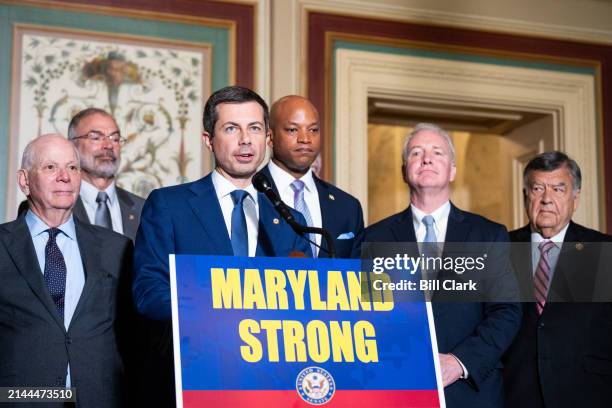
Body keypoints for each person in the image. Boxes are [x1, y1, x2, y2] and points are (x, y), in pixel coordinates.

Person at [132, 86, 311, 406]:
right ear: (208, 139)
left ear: (268, 139)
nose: (245, 139)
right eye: (232, 128)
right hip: (194, 379)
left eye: (254, 128)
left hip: (273, 387)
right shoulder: (169, 206)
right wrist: (216, 310)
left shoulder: (291, 219)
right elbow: (148, 292)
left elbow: (305, 301)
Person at [363, 123, 521, 408]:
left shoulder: (488, 234)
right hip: (398, 389)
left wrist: (459, 362)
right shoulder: (374, 238)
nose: (426, 158)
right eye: (416, 152)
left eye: (437, 152)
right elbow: (368, 314)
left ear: (452, 171)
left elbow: (507, 311)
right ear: (404, 170)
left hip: (471, 391)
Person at [0, 134, 133, 407]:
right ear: (24, 180)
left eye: (72, 168)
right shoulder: (3, 245)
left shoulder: (116, 248)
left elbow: (135, 338)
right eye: (50, 167)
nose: (65, 177)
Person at [503, 151, 612, 408]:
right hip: (514, 395)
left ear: (575, 199)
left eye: (558, 189)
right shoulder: (500, 247)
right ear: (525, 196)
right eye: (537, 188)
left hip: (589, 395)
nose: (546, 199)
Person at [259, 95, 364, 258]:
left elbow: (357, 276)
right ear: (270, 137)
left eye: (313, 130)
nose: (305, 139)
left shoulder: (348, 207)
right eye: (293, 130)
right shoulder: (245, 196)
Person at [18, 108, 144, 241]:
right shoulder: (44, 204)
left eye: (115, 138)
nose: (108, 145)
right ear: (72, 145)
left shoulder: (143, 208)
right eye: (95, 137)